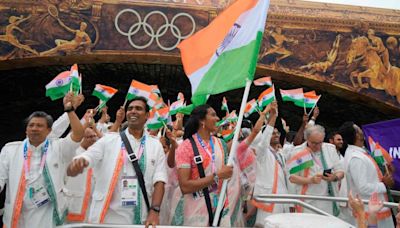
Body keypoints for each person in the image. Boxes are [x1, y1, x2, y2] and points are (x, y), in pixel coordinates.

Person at [67, 97, 167, 226]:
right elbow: (90, 155)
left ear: (147, 115)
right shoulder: (109, 140)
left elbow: (159, 180)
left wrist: (155, 211)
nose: (133, 111)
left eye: (138, 108)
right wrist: (80, 162)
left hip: (141, 217)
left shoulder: (155, 145)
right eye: (130, 109)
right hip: (108, 217)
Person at [0, 92, 84, 228]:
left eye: (39, 126)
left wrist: (70, 110)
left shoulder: (59, 147)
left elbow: (79, 134)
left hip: (48, 213)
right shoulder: (11, 150)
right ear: (26, 130)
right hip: (18, 214)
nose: (34, 129)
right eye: (31, 125)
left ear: (48, 130)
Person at [174, 104, 233, 226]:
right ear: (202, 120)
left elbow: (226, 176)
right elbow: (185, 187)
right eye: (213, 115)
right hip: (196, 213)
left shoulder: (221, 144)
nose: (217, 119)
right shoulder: (186, 147)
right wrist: (216, 176)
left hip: (221, 210)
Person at [339, 122, 394, 227]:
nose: (361, 130)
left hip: (375, 208)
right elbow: (363, 188)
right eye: (358, 129)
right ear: (357, 135)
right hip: (370, 211)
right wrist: (384, 185)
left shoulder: (360, 153)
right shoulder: (356, 158)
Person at [288, 125, 344, 216]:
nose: (318, 146)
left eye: (320, 142)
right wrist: (310, 180)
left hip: (329, 200)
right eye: (314, 143)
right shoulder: (298, 152)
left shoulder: (330, 149)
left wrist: (334, 177)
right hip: (307, 202)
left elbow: (340, 171)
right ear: (307, 139)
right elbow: (292, 178)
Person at [249, 102, 291, 226]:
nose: (276, 134)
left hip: (283, 198)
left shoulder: (281, 153)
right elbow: (264, 140)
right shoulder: (262, 153)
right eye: (273, 133)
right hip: (269, 199)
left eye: (277, 133)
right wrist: (272, 117)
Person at [65, 127, 99, 223]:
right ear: (82, 138)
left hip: (92, 201)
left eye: (94, 136)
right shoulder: (73, 153)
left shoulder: (96, 154)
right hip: (75, 201)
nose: (93, 139)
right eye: (89, 137)